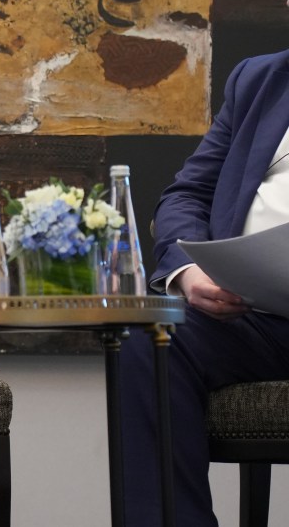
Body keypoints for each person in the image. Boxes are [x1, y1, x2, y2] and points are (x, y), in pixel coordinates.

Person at [119, 45, 289, 526]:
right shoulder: (259, 79)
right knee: (150, 334)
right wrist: (189, 272)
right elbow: (188, 194)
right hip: (258, 315)